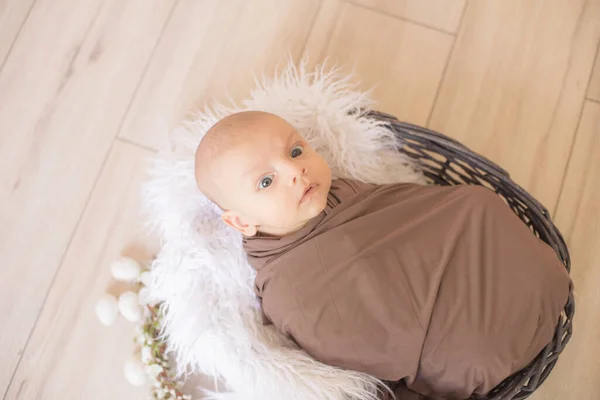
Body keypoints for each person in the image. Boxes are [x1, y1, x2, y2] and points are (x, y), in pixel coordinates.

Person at [194, 111, 571, 399]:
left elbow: (412, 216)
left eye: (295, 150)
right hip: (472, 350)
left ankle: (528, 289)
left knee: (476, 204)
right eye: (266, 181)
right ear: (241, 221)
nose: (295, 170)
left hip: (491, 264)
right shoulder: (287, 289)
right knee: (462, 341)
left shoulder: (339, 193)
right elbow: (351, 341)